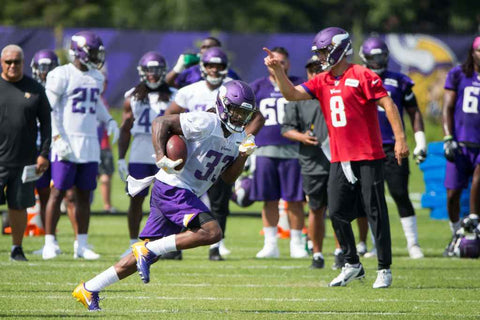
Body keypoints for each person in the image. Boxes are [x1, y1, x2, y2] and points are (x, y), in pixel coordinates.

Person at [72, 80, 258, 311]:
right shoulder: (205, 121)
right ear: (223, 105)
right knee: (212, 232)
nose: (240, 118)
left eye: (245, 114)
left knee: (150, 251)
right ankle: (147, 250)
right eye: (237, 111)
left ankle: (89, 288)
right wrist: (161, 154)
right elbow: (161, 121)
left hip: (182, 191)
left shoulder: (239, 137)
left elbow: (228, 179)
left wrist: (242, 156)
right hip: (174, 187)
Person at [263, 27, 409, 288]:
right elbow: (291, 94)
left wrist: (400, 138)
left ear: (339, 49)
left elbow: (388, 104)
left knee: (375, 211)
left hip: (367, 155)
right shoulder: (322, 79)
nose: (320, 56)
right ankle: (352, 263)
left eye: (323, 51)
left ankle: (384, 268)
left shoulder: (363, 74)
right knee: (337, 212)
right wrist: (278, 71)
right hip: (340, 157)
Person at [165, 47, 264, 260]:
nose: (214, 69)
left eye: (218, 66)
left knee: (220, 201)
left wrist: (244, 138)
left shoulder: (233, 86)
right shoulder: (190, 90)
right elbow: (169, 117)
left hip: (223, 152)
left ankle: (215, 246)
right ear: (203, 66)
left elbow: (257, 115)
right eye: (210, 65)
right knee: (185, 200)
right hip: (195, 154)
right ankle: (174, 245)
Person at [41, 31, 119, 260]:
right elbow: (50, 110)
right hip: (66, 141)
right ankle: (49, 242)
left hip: (89, 143)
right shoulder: (61, 74)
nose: (97, 56)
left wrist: (110, 120)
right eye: (93, 52)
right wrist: (57, 138)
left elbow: (96, 104)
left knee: (85, 195)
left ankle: (81, 244)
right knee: (58, 192)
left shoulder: (96, 76)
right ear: (80, 51)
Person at [354, 36, 426, 259]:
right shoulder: (356, 79)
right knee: (371, 199)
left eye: (381, 57)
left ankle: (413, 243)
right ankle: (377, 245)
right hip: (366, 147)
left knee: (399, 193)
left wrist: (420, 140)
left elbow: (414, 111)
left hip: (393, 146)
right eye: (373, 58)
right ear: (365, 58)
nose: (378, 61)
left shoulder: (399, 80)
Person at [281, 55, 345, 269]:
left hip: (339, 158)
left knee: (338, 209)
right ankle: (317, 253)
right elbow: (286, 128)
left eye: (319, 69)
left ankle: (341, 251)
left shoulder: (339, 90)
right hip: (312, 161)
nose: (315, 73)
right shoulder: (300, 96)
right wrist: (302, 137)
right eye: (311, 70)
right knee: (316, 208)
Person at [250, 47, 308, 259]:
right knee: (269, 198)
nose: (278, 65)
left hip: (293, 150)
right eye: (275, 61)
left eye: (282, 61)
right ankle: (270, 243)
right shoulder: (257, 87)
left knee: (294, 200)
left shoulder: (298, 84)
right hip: (264, 150)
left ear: (288, 64)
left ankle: (297, 243)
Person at [117, 51, 173, 257]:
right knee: (136, 199)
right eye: (149, 71)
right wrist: (121, 157)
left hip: (165, 151)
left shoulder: (173, 94)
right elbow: (125, 128)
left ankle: (162, 243)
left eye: (157, 71)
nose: (152, 75)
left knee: (165, 200)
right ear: (142, 72)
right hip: (139, 150)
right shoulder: (131, 95)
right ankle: (133, 242)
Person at [0, 44, 51, 261]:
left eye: (16, 62)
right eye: (8, 62)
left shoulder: (36, 88)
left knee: (18, 205)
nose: (12, 66)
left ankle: (16, 248)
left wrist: (44, 153)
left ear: (23, 62)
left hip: (24, 160)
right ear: (2, 63)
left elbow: (47, 123)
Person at [442, 36, 480, 256]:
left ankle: (475, 224)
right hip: (460, 143)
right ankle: (456, 231)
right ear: (472, 53)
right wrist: (448, 138)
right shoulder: (458, 74)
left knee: (478, 183)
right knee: (452, 195)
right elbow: (447, 108)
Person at [165, 36, 240, 88]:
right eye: (203, 47)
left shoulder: (230, 74)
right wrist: (177, 69)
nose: (206, 50)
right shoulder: (192, 71)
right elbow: (169, 84)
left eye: (210, 47)